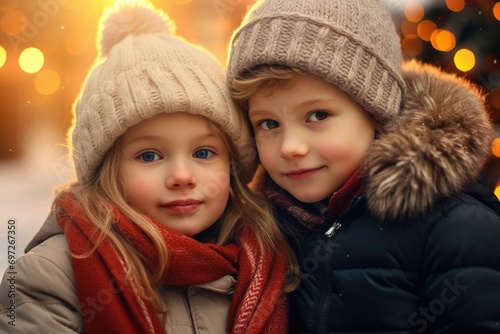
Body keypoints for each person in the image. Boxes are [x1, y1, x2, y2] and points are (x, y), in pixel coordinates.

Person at [0, 3, 298, 334]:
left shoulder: (268, 259)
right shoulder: (54, 275)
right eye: (149, 156)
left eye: (203, 152)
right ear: (106, 170)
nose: (182, 177)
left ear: (232, 163)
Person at [226, 0, 500, 332]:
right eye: (268, 123)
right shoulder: (263, 228)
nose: (290, 148)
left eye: (318, 115)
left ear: (376, 114)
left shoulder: (455, 229)